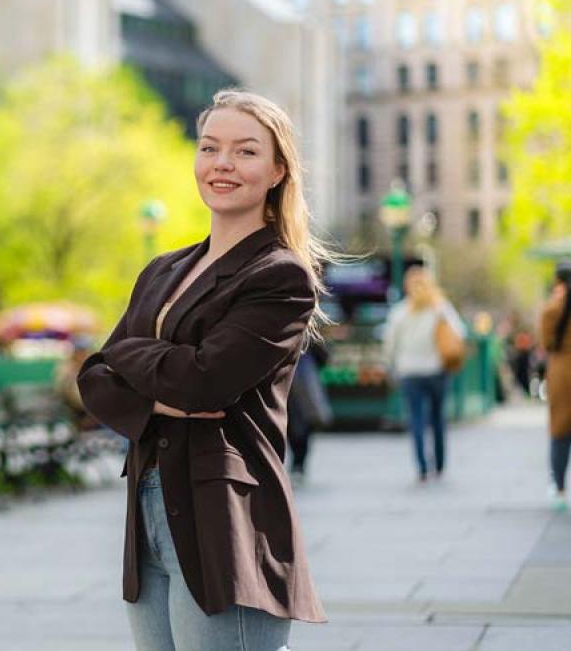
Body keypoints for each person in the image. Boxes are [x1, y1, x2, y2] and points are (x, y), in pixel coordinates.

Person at [77, 89, 328, 650]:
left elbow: (202, 382)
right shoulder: (163, 269)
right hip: (147, 513)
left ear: (277, 170)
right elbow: (93, 377)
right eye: (210, 147)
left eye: (244, 152)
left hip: (225, 518)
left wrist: (128, 357)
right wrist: (148, 385)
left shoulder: (279, 275)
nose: (222, 164)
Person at [382, 266, 466, 483]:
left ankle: (422, 468)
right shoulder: (441, 309)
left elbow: (390, 345)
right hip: (437, 371)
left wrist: (392, 366)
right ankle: (439, 465)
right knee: (438, 418)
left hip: (409, 373)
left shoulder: (400, 312)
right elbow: (460, 333)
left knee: (416, 420)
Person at [539, 261, 571, 511]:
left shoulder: (552, 309)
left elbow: (546, 342)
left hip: (561, 372)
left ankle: (559, 486)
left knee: (560, 431)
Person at [286, 340, 332, 480]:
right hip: (303, 388)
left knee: (295, 426)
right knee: (302, 426)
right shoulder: (308, 333)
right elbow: (324, 357)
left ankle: (297, 463)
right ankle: (299, 463)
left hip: (291, 387)